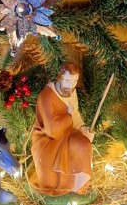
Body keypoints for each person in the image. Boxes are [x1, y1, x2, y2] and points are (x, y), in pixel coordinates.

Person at [30, 62, 93, 196]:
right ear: (60, 78)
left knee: (83, 144)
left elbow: (75, 114)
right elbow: (52, 131)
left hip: (67, 133)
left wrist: (82, 129)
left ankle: (78, 184)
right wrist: (68, 115)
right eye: (67, 81)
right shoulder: (47, 96)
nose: (71, 86)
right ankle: (62, 184)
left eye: (74, 82)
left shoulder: (71, 91)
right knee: (50, 184)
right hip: (47, 141)